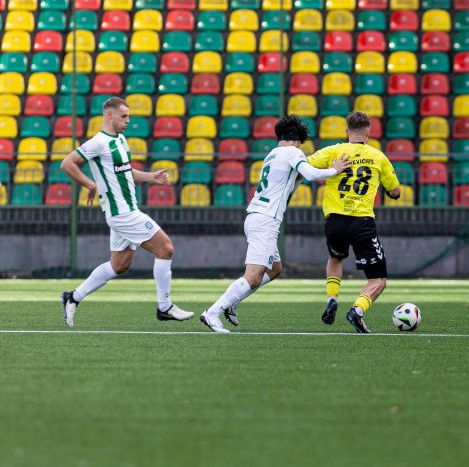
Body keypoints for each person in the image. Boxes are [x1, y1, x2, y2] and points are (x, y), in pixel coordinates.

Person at [200, 115, 351, 333]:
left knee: (275, 270)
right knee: (253, 276)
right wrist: (334, 170)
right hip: (265, 220)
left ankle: (233, 301)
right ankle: (212, 312)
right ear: (296, 140)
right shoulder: (293, 152)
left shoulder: (273, 155)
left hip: (257, 216)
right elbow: (309, 174)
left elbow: (292, 180)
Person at [59, 97, 194, 327]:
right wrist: (90, 184)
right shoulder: (98, 142)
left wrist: (152, 177)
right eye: (124, 116)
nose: (128, 121)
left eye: (128, 116)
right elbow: (67, 163)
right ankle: (165, 307)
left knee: (119, 265)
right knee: (166, 248)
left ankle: (73, 297)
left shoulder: (120, 140)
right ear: (109, 115)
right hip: (122, 213)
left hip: (128, 210)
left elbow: (125, 173)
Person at [308, 111, 401, 333]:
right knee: (378, 280)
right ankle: (357, 310)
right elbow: (395, 192)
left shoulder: (334, 151)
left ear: (347, 131)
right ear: (368, 133)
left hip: (335, 220)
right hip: (362, 222)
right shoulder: (378, 157)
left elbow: (305, 166)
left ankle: (332, 297)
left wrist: (328, 172)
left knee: (335, 257)